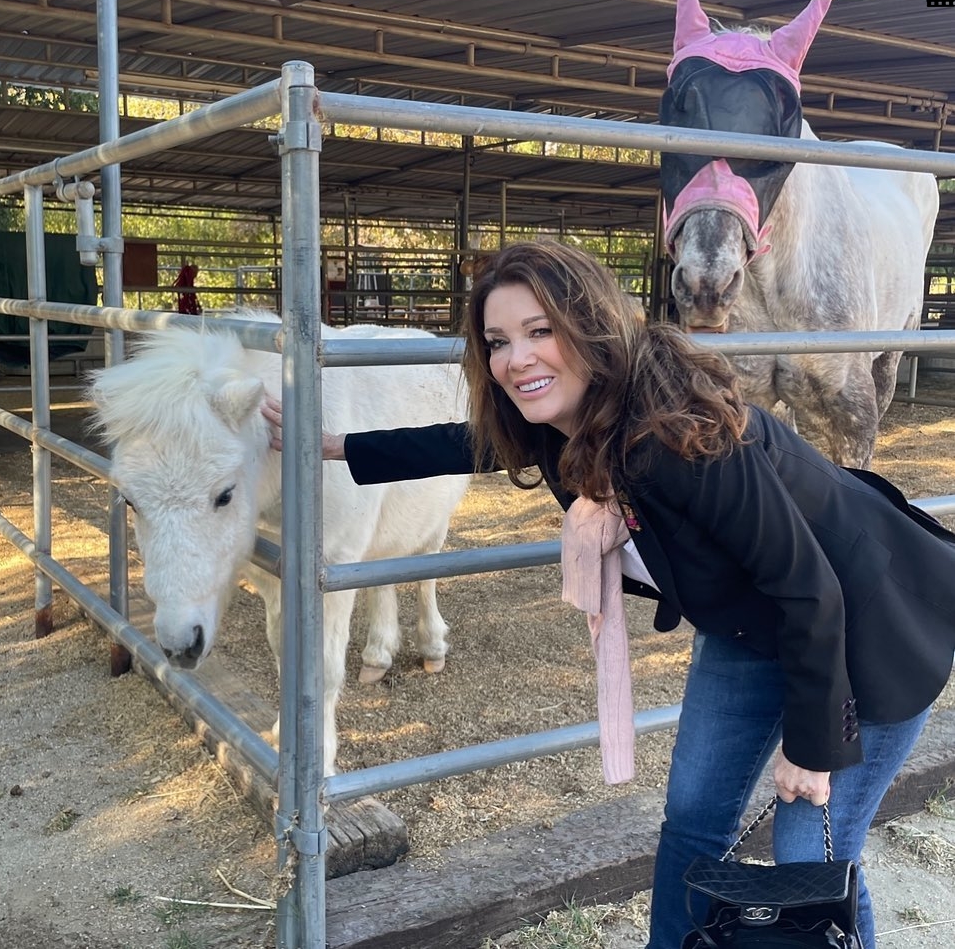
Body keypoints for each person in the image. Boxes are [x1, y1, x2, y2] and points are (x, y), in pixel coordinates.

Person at [262, 240, 955, 948]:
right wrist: (335, 443)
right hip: (753, 629)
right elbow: (461, 442)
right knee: (692, 820)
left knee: (810, 854)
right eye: (499, 342)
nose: (517, 359)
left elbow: (809, 588)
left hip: (872, 629)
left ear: (588, 325)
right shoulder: (564, 422)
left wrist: (812, 745)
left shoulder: (678, 436)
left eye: (540, 332)